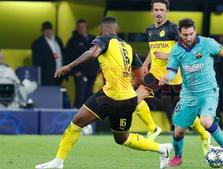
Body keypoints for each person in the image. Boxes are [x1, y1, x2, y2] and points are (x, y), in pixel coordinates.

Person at [35, 16, 172, 169]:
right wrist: (125, 85)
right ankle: (58, 162)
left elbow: (92, 54)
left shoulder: (104, 39)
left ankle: (162, 149)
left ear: (100, 31)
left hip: (115, 99)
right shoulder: (128, 47)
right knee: (101, 131)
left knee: (91, 129)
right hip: (119, 98)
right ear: (117, 30)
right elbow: (140, 76)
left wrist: (68, 67)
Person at [159, 18, 223, 167]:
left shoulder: (208, 43)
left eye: (191, 34)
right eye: (185, 35)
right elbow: (172, 71)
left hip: (208, 92)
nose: (188, 38)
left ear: (195, 31)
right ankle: (178, 157)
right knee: (178, 132)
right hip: (188, 95)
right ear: (179, 34)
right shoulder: (176, 50)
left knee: (206, 122)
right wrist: (166, 78)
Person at [136, 0, 210, 153]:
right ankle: (153, 128)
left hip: (175, 78)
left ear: (167, 11)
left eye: (162, 10)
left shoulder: (173, 29)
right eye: (156, 9)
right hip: (155, 74)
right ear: (152, 11)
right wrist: (145, 64)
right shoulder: (149, 29)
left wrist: (167, 55)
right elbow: (152, 49)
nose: (158, 13)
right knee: (134, 100)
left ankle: (204, 134)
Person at [65, 19, 99, 108]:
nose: (81, 29)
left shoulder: (94, 39)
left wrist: (98, 69)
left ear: (87, 28)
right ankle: (76, 118)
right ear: (76, 28)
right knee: (80, 97)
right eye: (79, 27)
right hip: (80, 74)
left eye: (83, 27)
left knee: (90, 97)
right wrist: (75, 72)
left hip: (92, 73)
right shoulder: (72, 41)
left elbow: (99, 55)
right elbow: (68, 58)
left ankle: (88, 118)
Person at [32, 21, 65, 86]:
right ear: (42, 31)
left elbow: (64, 54)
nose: (48, 31)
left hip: (59, 74)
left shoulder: (58, 40)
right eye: (45, 30)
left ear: (52, 30)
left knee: (57, 93)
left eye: (49, 29)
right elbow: (36, 61)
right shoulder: (37, 43)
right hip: (46, 76)